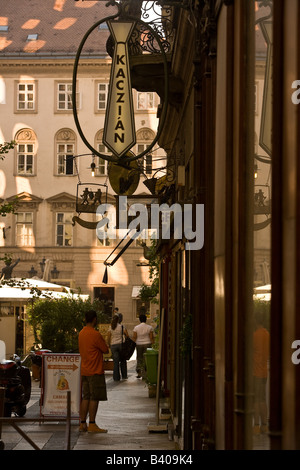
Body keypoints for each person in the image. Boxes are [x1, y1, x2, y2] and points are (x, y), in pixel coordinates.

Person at [78, 310, 109, 433]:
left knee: (85, 397)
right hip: (95, 370)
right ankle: (92, 423)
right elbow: (105, 349)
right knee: (94, 397)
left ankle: (82, 424)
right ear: (95, 319)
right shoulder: (95, 334)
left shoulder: (81, 333)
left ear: (85, 319)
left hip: (84, 370)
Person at [253, 311, 270, 435]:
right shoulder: (267, 334)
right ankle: (265, 425)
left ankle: (256, 426)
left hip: (255, 370)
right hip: (264, 371)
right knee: (263, 398)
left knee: (256, 399)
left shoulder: (255, 335)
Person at [107, 313, 128, 381]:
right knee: (123, 361)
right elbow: (127, 335)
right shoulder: (122, 326)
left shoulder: (111, 327)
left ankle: (116, 377)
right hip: (121, 345)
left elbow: (108, 337)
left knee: (115, 362)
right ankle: (124, 375)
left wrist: (108, 344)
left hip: (113, 345)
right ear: (119, 319)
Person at [132, 313, 154, 379]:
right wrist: (153, 344)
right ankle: (146, 373)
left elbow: (134, 337)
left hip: (139, 344)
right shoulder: (149, 327)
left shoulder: (136, 328)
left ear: (139, 320)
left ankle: (139, 373)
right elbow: (151, 337)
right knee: (146, 359)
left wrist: (133, 344)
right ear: (146, 320)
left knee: (139, 358)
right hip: (147, 343)